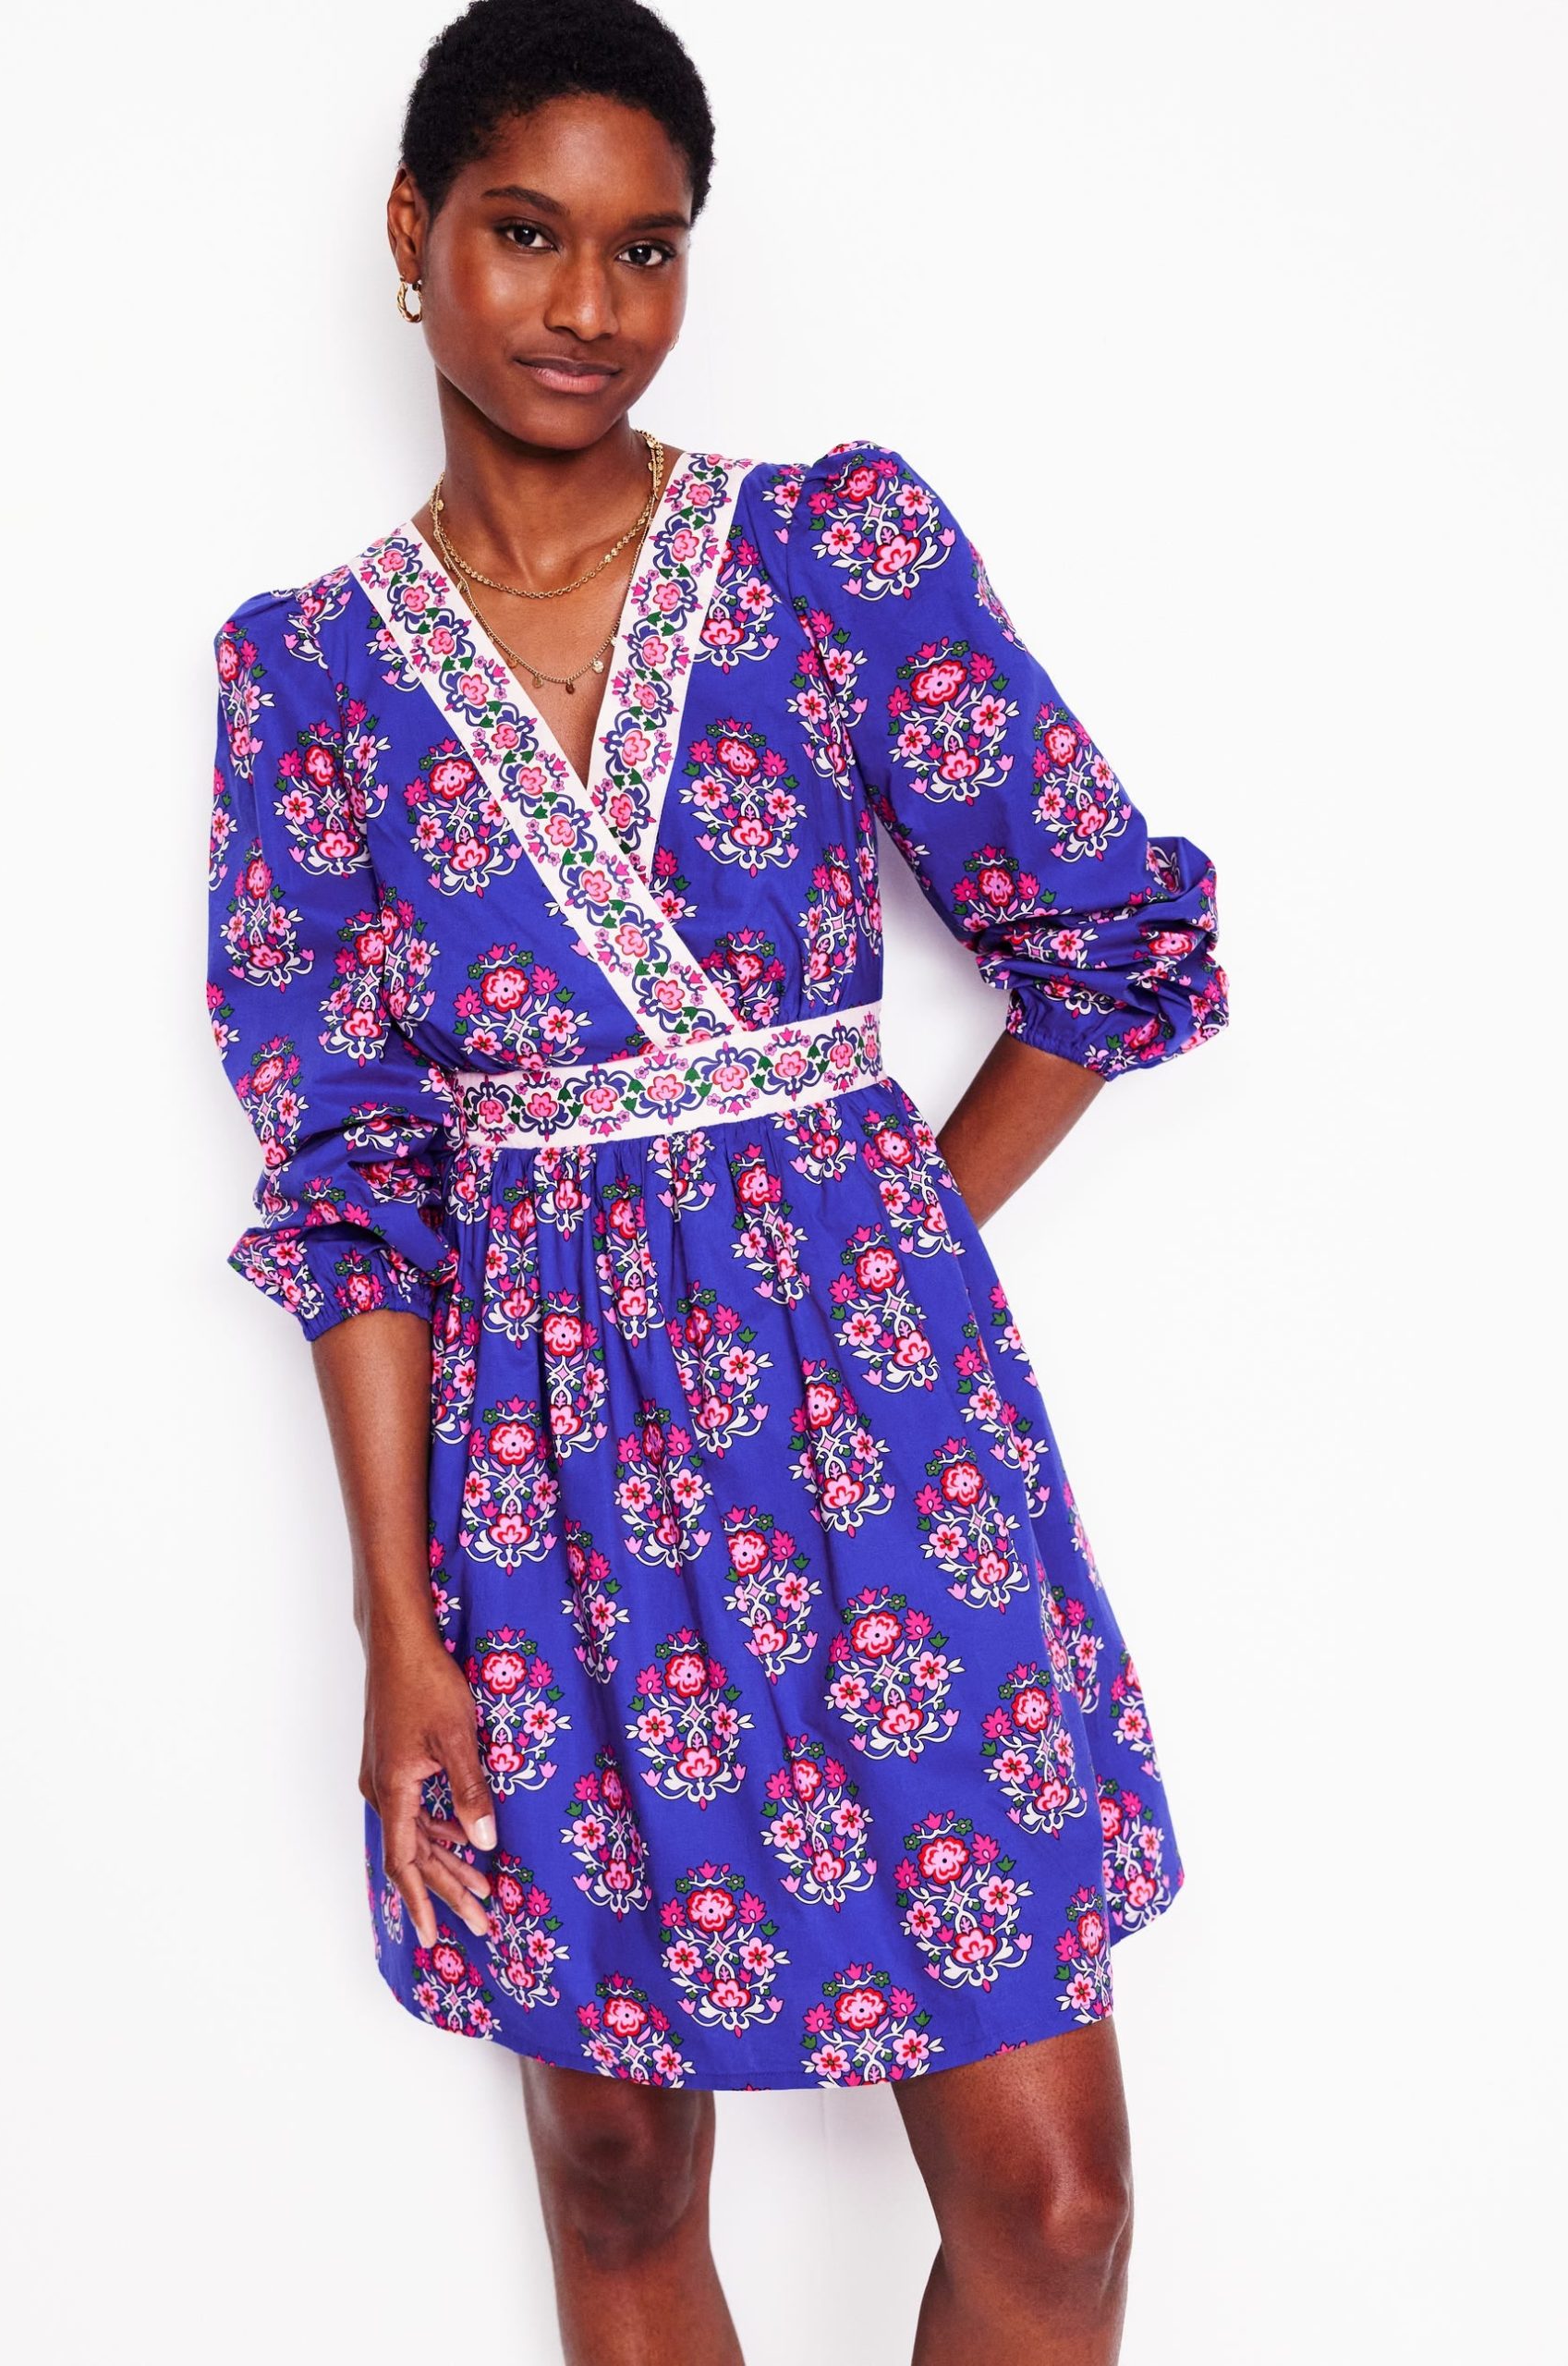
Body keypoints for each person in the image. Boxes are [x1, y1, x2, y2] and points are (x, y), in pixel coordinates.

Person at [205, 3, 1229, 2356]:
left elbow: (1105, 936)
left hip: (891, 1450)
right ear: (412, 234)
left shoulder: (831, 550)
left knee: (1056, 2199)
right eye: (526, 234)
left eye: (645, 247)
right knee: (616, 2161)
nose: (590, 304)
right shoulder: (311, 674)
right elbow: (348, 1174)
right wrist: (395, 1625)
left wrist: (883, 1252)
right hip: (540, 1469)